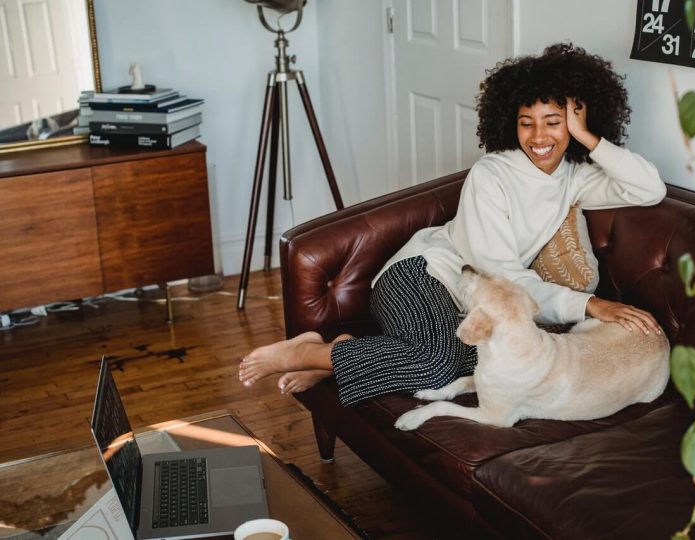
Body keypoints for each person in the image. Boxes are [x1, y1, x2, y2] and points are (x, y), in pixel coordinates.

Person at [238, 42, 666, 407]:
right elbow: (504, 277)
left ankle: (336, 353)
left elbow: (649, 189)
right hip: (424, 275)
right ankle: (309, 353)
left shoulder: (574, 177)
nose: (539, 137)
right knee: (435, 361)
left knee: (494, 358)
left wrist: (587, 136)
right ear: (508, 122)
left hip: (476, 301)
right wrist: (591, 305)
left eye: (553, 123)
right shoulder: (492, 174)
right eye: (526, 123)